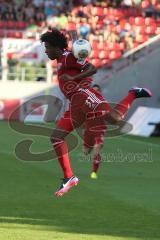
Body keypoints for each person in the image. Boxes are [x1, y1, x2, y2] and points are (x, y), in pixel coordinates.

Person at [40, 28, 152, 197]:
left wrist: (71, 79)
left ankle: (133, 93)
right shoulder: (62, 59)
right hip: (75, 103)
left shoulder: (68, 57)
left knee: (115, 118)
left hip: (84, 94)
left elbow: (92, 68)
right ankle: (68, 177)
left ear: (56, 47)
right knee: (56, 137)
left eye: (47, 47)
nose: (45, 50)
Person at [83, 84, 105, 179]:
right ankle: (90, 146)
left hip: (99, 129)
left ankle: (94, 172)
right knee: (86, 152)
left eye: (97, 91)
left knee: (97, 148)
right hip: (88, 130)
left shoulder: (103, 102)